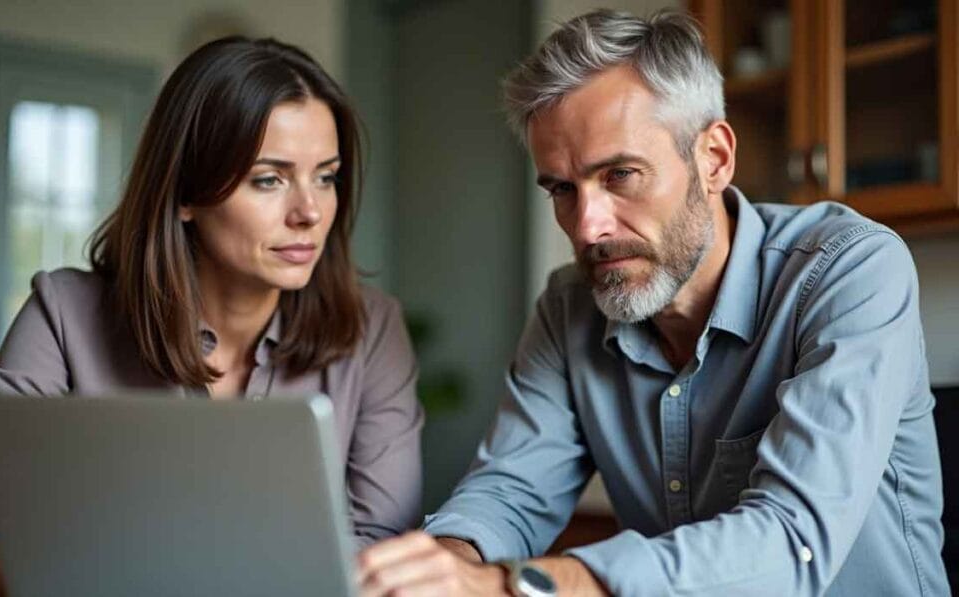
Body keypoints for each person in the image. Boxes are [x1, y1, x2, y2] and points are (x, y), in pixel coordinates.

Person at [357, 9, 948, 596]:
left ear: (713, 159)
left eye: (620, 174)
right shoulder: (569, 309)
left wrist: (530, 585)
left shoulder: (850, 269)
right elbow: (510, 489)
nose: (587, 228)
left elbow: (792, 540)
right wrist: (445, 569)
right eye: (562, 188)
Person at [0, 37, 423, 597]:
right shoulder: (65, 314)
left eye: (327, 176)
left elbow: (381, 541)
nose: (310, 212)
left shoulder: (374, 329)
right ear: (186, 192)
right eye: (269, 179)